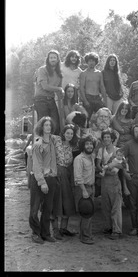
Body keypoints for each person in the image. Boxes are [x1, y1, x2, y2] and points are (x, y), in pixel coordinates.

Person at [29, 116, 59, 244]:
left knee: (48, 208)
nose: (48, 127)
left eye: (50, 125)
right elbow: (37, 165)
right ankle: (35, 233)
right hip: (39, 180)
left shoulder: (52, 141)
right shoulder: (38, 144)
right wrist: (42, 183)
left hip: (51, 178)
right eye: (46, 125)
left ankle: (45, 233)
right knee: (35, 208)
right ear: (41, 127)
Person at [51, 124, 78, 240]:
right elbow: (44, 134)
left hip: (67, 176)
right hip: (56, 174)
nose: (69, 135)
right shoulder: (56, 140)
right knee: (56, 202)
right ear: (63, 133)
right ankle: (55, 230)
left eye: (71, 133)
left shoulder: (73, 146)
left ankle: (63, 228)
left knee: (67, 202)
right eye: (67, 133)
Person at [96, 129, 125, 240]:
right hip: (104, 180)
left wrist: (109, 168)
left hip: (114, 180)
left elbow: (122, 166)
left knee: (116, 206)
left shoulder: (118, 150)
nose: (106, 139)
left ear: (112, 139)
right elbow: (98, 164)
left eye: (108, 137)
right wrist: (103, 169)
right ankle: (109, 227)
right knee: (106, 205)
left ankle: (117, 230)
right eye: (105, 137)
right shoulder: (101, 150)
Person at [34, 50, 64, 135]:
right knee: (44, 124)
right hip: (41, 100)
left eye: (54, 57)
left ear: (58, 60)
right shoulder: (42, 70)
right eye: (51, 57)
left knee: (55, 124)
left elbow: (59, 91)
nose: (53, 59)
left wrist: (62, 104)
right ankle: (41, 145)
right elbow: (45, 86)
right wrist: (59, 89)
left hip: (51, 99)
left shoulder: (60, 73)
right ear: (48, 59)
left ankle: (54, 145)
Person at [73, 136, 96, 245]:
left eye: (91, 144)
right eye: (87, 144)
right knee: (85, 212)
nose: (89, 146)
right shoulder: (79, 159)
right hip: (83, 188)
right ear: (83, 145)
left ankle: (86, 235)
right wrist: (83, 190)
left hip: (91, 187)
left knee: (89, 213)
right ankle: (85, 237)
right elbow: (78, 177)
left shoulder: (91, 157)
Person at [79, 52, 107, 122]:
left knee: (101, 118)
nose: (91, 63)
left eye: (93, 61)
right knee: (86, 119)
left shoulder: (99, 73)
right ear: (87, 62)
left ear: (96, 62)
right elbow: (81, 88)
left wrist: (104, 99)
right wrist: (85, 101)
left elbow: (102, 86)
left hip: (97, 98)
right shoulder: (83, 73)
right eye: (90, 61)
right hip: (88, 97)